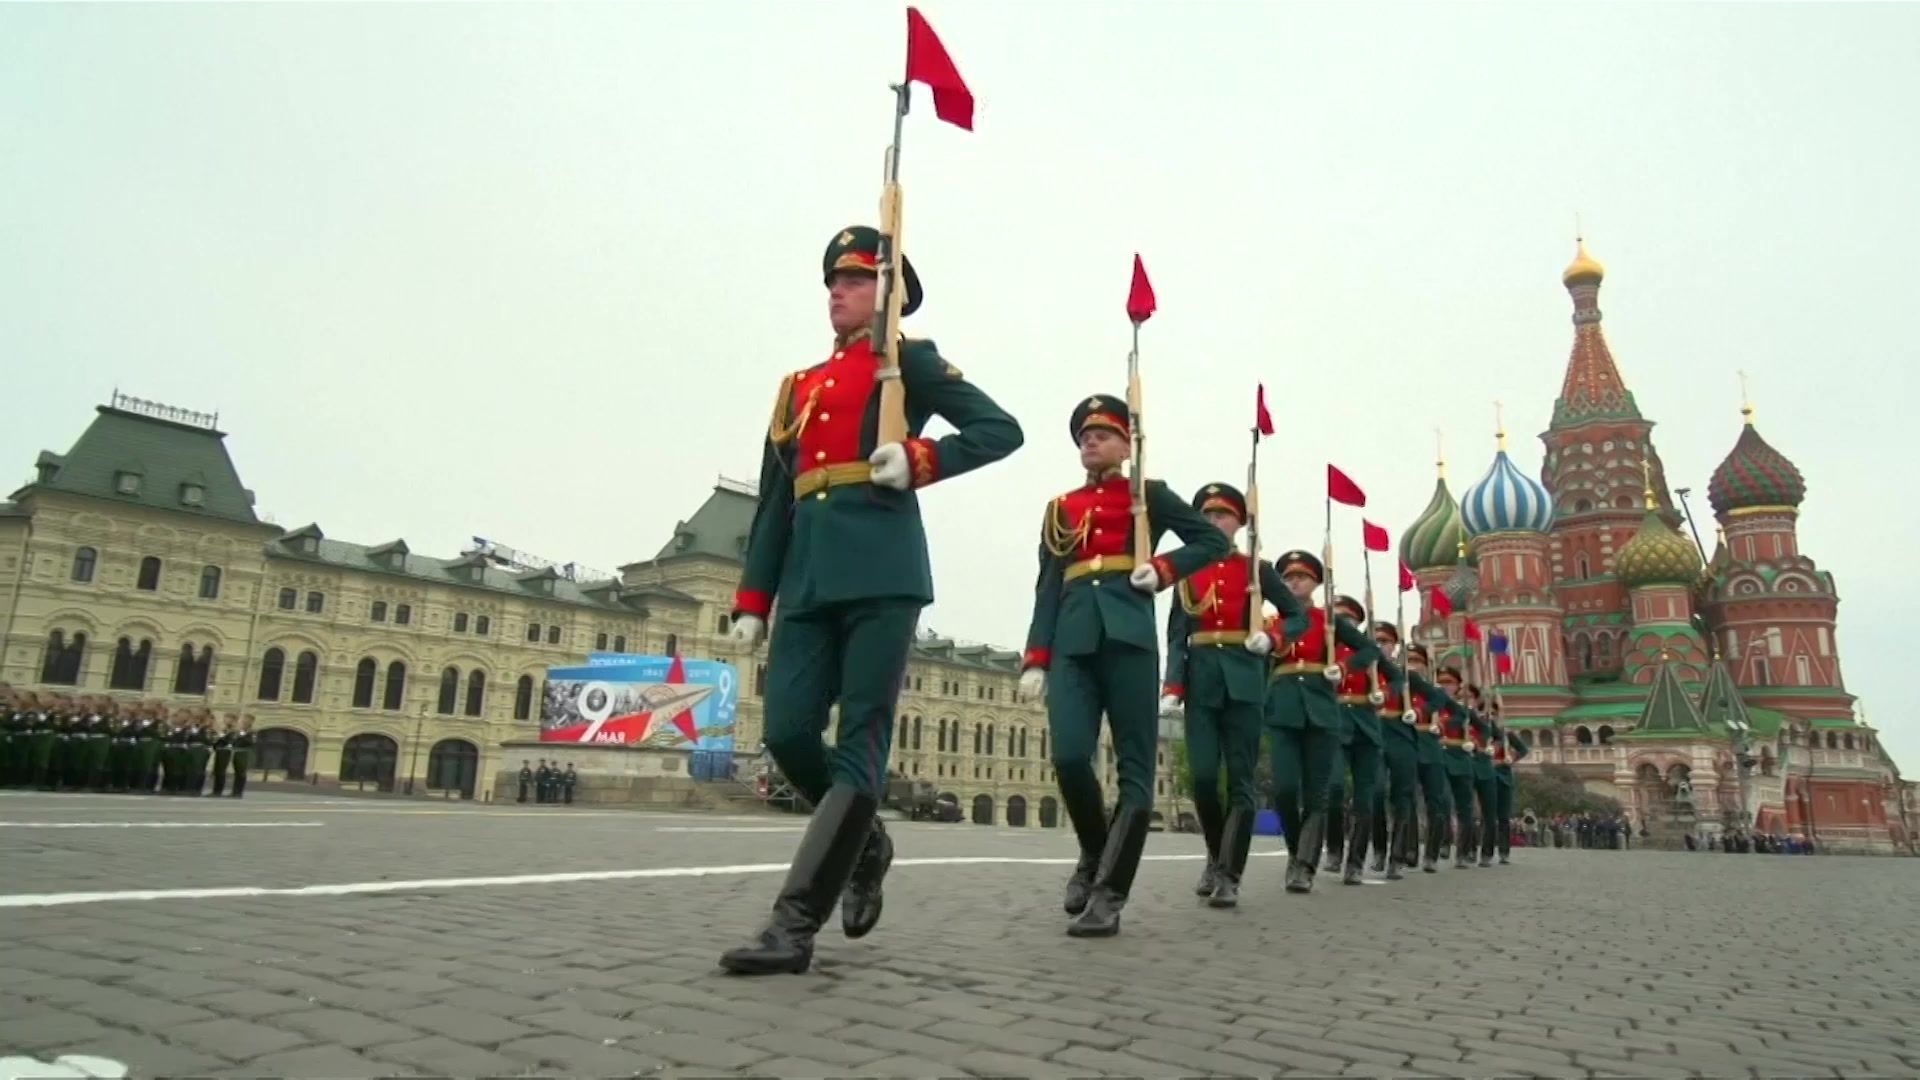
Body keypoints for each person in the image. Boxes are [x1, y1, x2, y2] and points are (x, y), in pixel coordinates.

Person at [719, 225, 1024, 976]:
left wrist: (919, 459)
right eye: (833, 280)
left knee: (861, 740)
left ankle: (793, 925)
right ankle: (866, 840)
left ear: (887, 295)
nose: (837, 291)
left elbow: (999, 430)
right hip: (809, 577)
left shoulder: (907, 362)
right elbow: (772, 500)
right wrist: (755, 596)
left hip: (883, 571)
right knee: (788, 733)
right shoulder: (798, 387)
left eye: (855, 280)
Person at [1019, 395, 1228, 937]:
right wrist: (1036, 656)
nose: (1091, 441)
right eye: (1084, 435)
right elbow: (1047, 585)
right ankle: (1094, 851)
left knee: (1137, 770)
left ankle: (1110, 893)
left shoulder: (1148, 496)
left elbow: (1209, 540)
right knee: (1067, 756)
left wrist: (1161, 569)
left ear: (1127, 445)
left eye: (1104, 434)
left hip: (1130, 639)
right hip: (1072, 640)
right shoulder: (1059, 508)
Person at [1159, 482, 1307, 908]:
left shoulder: (1256, 571)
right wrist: (1173, 684)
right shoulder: (1187, 571)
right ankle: (1214, 850)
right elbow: (1176, 637)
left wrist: (1274, 636)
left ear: (1239, 523)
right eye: (1205, 515)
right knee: (1204, 779)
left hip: (1244, 680)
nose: (1212, 521)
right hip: (1202, 681)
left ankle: (1229, 873)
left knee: (1240, 781)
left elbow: (1297, 616)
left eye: (1222, 515)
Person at [1264, 551, 1379, 894]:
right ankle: (1296, 851)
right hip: (1283, 708)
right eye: (1288, 577)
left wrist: (1343, 668)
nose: (1295, 582)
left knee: (1317, 792)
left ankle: (1304, 865)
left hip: (1321, 709)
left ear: (1315, 583)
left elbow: (1368, 651)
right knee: (1284, 789)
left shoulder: (1328, 620)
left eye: (1303, 577)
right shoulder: (1273, 621)